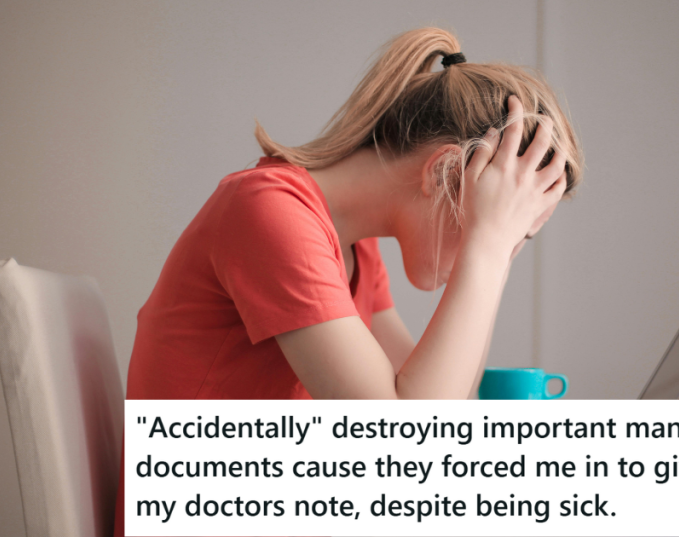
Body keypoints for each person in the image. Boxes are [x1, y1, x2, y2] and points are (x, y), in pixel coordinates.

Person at [113, 27, 581, 535]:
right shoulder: (269, 213)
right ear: (444, 173)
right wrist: (486, 248)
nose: (505, 245)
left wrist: (495, 251)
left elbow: (442, 404)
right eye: (505, 222)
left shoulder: (355, 250)